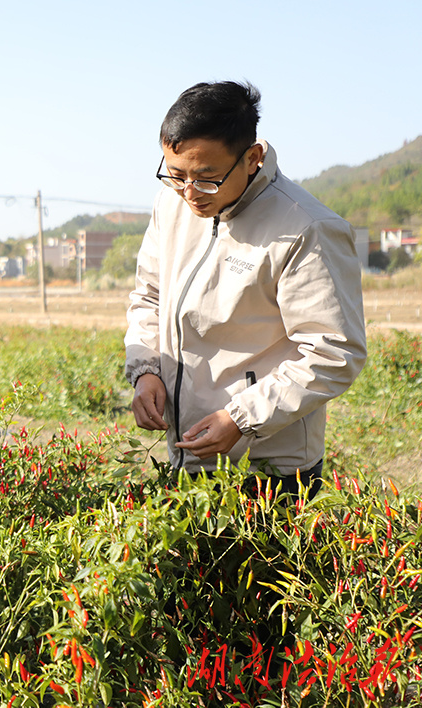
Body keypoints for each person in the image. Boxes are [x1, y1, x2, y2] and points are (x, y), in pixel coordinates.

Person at [125, 81, 366, 494]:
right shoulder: (171, 206)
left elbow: (334, 351)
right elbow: (149, 295)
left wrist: (242, 417)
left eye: (206, 178)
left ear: (252, 157)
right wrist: (147, 371)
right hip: (188, 453)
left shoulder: (305, 228)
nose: (189, 193)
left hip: (268, 466)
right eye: (176, 174)